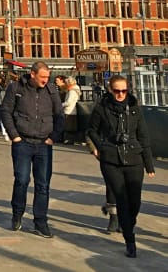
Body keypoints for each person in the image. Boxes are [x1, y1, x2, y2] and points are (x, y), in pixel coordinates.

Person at [86, 75, 156, 258]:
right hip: (111, 161)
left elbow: (143, 135)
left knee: (135, 201)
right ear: (110, 90)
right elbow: (91, 130)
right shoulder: (102, 108)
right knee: (122, 200)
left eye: (124, 91)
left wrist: (149, 164)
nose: (120, 94)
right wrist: (101, 147)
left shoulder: (134, 109)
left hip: (134, 159)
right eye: (117, 91)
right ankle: (129, 240)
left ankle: (128, 224)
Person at [0, 61, 63, 238]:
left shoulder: (51, 90)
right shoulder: (16, 88)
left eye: (47, 77)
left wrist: (53, 137)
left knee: (43, 184)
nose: (46, 80)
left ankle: (40, 221)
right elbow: (5, 111)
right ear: (32, 74)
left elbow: (59, 115)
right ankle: (17, 213)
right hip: (23, 142)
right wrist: (14, 135)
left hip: (44, 143)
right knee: (21, 179)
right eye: (42, 77)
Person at [61, 76, 81, 144]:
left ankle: (68, 140)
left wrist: (61, 105)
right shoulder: (75, 89)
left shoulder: (72, 91)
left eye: (66, 83)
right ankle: (70, 140)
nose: (65, 84)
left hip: (69, 111)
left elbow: (68, 102)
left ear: (69, 83)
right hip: (72, 111)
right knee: (71, 127)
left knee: (68, 127)